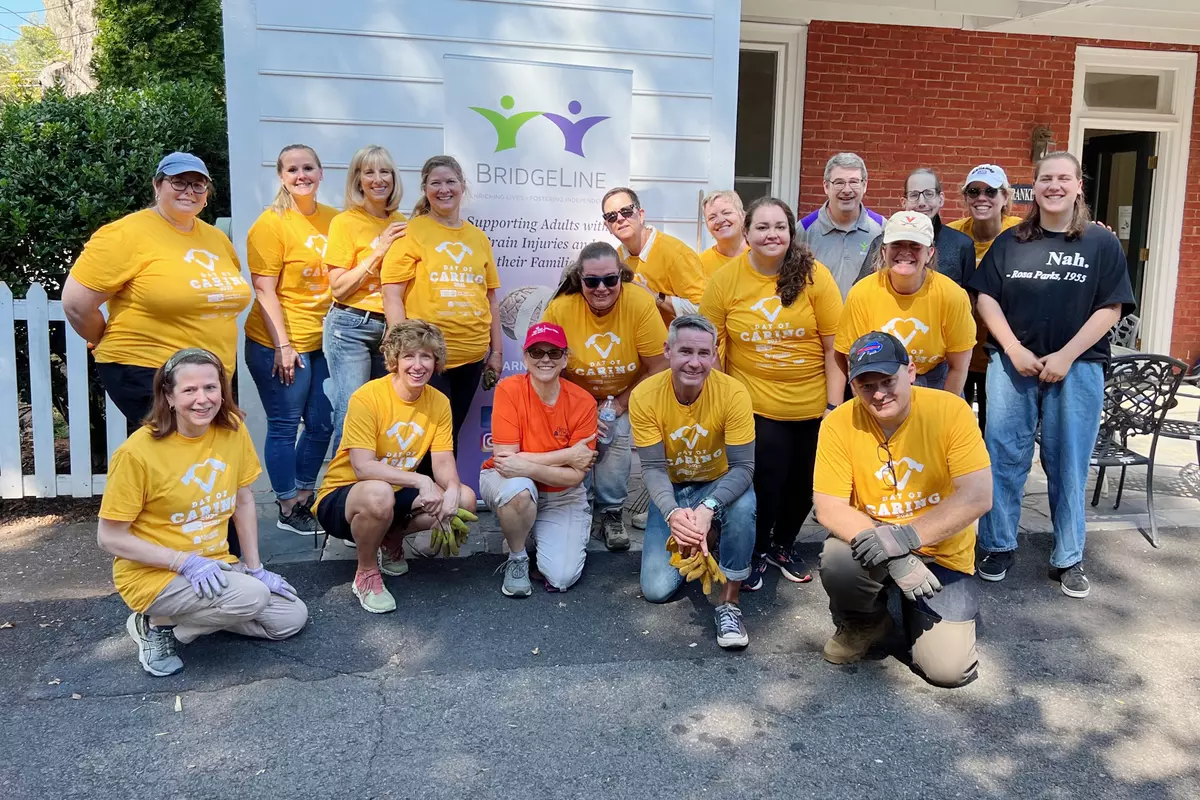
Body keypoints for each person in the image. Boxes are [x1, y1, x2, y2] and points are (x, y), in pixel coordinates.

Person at [968, 152, 1135, 599]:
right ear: (1034, 187)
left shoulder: (1102, 244)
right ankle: (998, 545)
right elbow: (986, 298)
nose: (1054, 185)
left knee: (1068, 463)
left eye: (1064, 178)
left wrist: (1065, 355)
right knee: (1003, 458)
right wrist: (1013, 348)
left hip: (1078, 369)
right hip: (1012, 367)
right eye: (1046, 179)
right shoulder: (1013, 240)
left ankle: (1069, 555)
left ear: (1080, 185)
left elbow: (1111, 307)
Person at [97, 348, 308, 677]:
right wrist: (184, 562)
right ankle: (155, 620)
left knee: (290, 618)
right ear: (168, 396)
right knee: (251, 598)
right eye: (189, 390)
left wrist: (255, 568)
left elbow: (243, 501)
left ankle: (178, 624)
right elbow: (109, 538)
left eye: (211, 387)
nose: (203, 399)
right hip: (156, 574)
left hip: (216, 564)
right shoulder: (137, 453)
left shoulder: (232, 431)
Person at [813, 332, 992, 687]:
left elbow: (978, 496)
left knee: (948, 672)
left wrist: (907, 538)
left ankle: (916, 612)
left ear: (910, 371)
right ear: (852, 386)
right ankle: (867, 621)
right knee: (837, 560)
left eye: (887, 380)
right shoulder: (837, 423)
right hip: (875, 543)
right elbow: (828, 506)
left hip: (941, 549)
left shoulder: (951, 411)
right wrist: (895, 555)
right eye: (867, 385)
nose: (879, 394)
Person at [700, 197, 844, 591]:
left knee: (804, 486)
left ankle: (783, 545)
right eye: (761, 227)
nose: (771, 234)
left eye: (779, 226)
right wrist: (724, 401)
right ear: (746, 234)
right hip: (755, 405)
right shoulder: (727, 280)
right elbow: (710, 346)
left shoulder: (816, 277)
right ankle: (757, 548)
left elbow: (835, 347)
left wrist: (833, 406)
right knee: (767, 480)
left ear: (791, 232)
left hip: (813, 404)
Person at [63, 152, 250, 434]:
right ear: (157, 185)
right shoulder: (125, 235)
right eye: (178, 182)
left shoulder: (216, 239)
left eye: (198, 185)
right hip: (147, 368)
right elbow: (77, 305)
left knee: (200, 457)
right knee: (174, 454)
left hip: (208, 373)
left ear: (206, 194)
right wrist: (99, 338)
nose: (189, 190)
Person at [313, 321, 477, 614]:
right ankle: (365, 573)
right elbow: (362, 467)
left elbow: (441, 460)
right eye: (409, 356)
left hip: (396, 492)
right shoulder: (368, 397)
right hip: (344, 496)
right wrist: (421, 482)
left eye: (426, 356)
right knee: (379, 495)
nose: (418, 365)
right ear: (394, 361)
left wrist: (451, 489)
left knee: (465, 499)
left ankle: (391, 538)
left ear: (436, 361)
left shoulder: (438, 401)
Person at [631, 315, 757, 649]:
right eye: (685, 351)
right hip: (673, 489)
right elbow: (654, 468)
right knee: (657, 590)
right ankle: (708, 536)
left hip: (719, 484)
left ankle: (730, 603)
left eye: (703, 353)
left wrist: (709, 507)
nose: (694, 362)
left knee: (744, 507)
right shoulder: (644, 396)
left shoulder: (733, 393)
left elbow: (744, 468)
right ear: (667, 351)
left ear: (714, 355)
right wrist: (673, 513)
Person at [540, 241, 669, 551]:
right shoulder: (560, 308)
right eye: (592, 281)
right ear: (579, 279)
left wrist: (620, 403)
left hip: (622, 394)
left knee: (618, 431)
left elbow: (659, 364)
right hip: (574, 395)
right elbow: (545, 364)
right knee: (578, 437)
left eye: (610, 279)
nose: (602, 288)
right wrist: (583, 410)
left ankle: (611, 513)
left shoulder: (638, 302)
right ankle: (579, 509)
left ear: (621, 277)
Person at [244, 144, 337, 536]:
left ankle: (304, 495)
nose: (302, 175)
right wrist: (284, 345)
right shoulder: (271, 224)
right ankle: (285, 504)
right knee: (284, 425)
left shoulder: (335, 220)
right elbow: (264, 290)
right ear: (281, 176)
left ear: (320, 172)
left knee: (321, 424)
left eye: (308, 168)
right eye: (293, 169)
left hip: (321, 342)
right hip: (277, 343)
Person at [382, 155, 502, 450]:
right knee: (423, 438)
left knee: (449, 435)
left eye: (451, 181)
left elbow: (490, 299)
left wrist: (496, 352)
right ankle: (421, 495)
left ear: (462, 186)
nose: (444, 189)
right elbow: (391, 293)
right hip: (428, 360)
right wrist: (405, 352)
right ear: (425, 188)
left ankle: (444, 495)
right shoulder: (412, 232)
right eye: (436, 183)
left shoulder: (478, 237)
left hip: (472, 358)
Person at [479, 322, 597, 596]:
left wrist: (527, 464)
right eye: (537, 352)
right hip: (509, 482)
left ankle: (527, 530)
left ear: (565, 358)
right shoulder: (509, 389)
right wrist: (568, 454)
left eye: (554, 353)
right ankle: (518, 557)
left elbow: (575, 476)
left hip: (563, 494)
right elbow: (506, 463)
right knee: (519, 491)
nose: (545, 359)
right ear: (525, 357)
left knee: (561, 578)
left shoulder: (584, 401)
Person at [323, 144, 408, 449]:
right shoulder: (344, 222)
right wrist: (379, 251)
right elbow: (338, 287)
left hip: (390, 328)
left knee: (383, 414)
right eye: (369, 172)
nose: (378, 179)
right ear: (358, 179)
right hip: (350, 326)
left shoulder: (400, 221)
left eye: (384, 171)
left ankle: (375, 490)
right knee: (351, 413)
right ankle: (339, 492)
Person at [836, 212, 976, 395]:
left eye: (915, 245)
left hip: (934, 379)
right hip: (878, 380)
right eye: (897, 244)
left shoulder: (952, 296)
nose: (905, 252)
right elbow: (852, 360)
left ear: (929, 253)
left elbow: (958, 366)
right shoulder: (861, 293)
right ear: (884, 251)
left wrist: (946, 413)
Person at [948, 164, 1023, 434]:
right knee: (957, 427)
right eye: (974, 191)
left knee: (996, 431)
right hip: (960, 353)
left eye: (991, 191)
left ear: (1005, 198)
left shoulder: (1023, 234)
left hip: (1003, 353)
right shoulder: (952, 236)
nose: (982, 197)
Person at [856, 168, 976, 288]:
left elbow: (969, 297)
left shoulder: (961, 245)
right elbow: (863, 287)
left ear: (941, 199)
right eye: (914, 195)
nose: (922, 202)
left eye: (929, 194)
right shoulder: (883, 242)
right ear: (904, 202)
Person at [601, 187, 707, 321]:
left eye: (626, 211)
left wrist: (656, 298)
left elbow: (703, 311)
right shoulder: (615, 259)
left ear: (641, 215)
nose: (620, 219)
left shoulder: (676, 253)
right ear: (607, 226)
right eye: (611, 216)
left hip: (671, 340)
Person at [798, 153, 884, 298]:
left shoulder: (882, 229)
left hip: (865, 318)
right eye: (839, 182)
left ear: (865, 185)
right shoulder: (804, 230)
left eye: (854, 182)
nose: (847, 190)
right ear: (826, 186)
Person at [699, 190, 748, 277]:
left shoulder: (760, 256)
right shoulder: (701, 263)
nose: (720, 220)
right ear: (707, 225)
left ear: (743, 215)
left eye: (726, 213)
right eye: (712, 217)